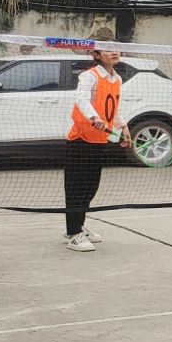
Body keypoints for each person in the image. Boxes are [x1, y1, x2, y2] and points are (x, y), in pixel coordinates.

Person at [64, 46, 132, 252]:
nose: (115, 52)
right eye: (108, 50)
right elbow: (81, 99)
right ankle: (73, 233)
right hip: (81, 139)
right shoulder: (89, 76)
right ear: (96, 55)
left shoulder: (116, 79)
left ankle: (78, 226)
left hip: (99, 140)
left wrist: (123, 127)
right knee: (76, 187)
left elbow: (113, 108)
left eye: (117, 49)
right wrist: (94, 117)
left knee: (90, 186)